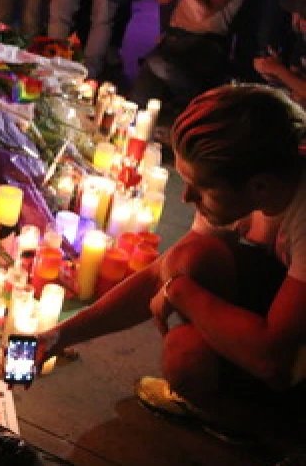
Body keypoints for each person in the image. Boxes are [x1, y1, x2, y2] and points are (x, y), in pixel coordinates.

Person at [42, 84, 306, 446]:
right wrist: (61, 336)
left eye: (202, 189)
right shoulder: (252, 182)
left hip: (290, 365)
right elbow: (162, 272)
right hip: (282, 303)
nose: (186, 198)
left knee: (187, 358)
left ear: (260, 186)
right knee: (191, 258)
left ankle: (268, 431)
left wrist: (181, 292)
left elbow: (272, 361)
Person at [254, 0, 306, 105]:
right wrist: (276, 76)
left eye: (299, 15)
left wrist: (279, 70)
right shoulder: (302, 41)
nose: (294, 18)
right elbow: (297, 84)